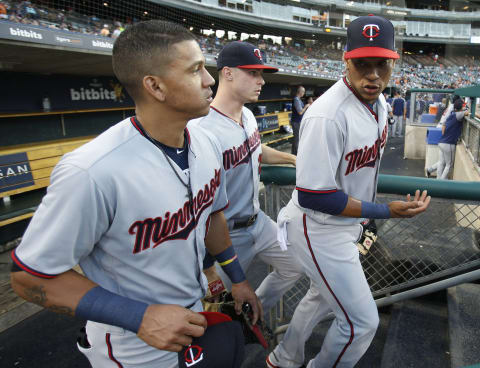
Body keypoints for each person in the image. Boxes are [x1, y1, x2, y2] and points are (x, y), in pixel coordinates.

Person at [10, 20, 261, 368]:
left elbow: (213, 216)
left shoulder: (205, 142)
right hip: (131, 343)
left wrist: (238, 279)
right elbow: (29, 276)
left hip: (194, 312)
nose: (209, 80)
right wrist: (138, 316)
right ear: (155, 86)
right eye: (195, 70)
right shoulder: (92, 171)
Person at [267, 15, 431, 368]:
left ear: (392, 63)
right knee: (361, 322)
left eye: (381, 65)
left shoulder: (381, 105)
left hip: (345, 222)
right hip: (317, 227)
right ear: (347, 61)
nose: (372, 75)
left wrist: (368, 218)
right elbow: (314, 196)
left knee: (322, 298)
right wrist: (385, 211)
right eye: (362, 64)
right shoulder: (327, 115)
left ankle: (283, 358)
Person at [190, 41, 303, 313]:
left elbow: (254, 150)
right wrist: (207, 265)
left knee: (297, 265)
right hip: (223, 237)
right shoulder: (199, 128)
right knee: (206, 309)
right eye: (253, 73)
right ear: (227, 73)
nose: (261, 80)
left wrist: (292, 159)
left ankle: (252, 312)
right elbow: (197, 206)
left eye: (261, 74)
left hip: (259, 222)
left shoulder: (249, 115)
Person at [426, 98, 469, 180]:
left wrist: (445, 135)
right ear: (461, 107)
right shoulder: (459, 114)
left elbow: (444, 126)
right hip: (448, 143)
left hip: (442, 142)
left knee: (442, 162)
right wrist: (466, 109)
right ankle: (441, 183)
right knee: (449, 165)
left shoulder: (452, 114)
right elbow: (468, 113)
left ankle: (435, 175)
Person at [291, 86, 310, 155]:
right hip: (296, 122)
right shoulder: (296, 99)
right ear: (300, 92)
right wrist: (306, 106)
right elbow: (300, 112)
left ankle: (293, 153)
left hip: (298, 121)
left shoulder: (298, 99)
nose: (304, 93)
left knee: (296, 138)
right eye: (303, 92)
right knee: (297, 139)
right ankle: (296, 155)